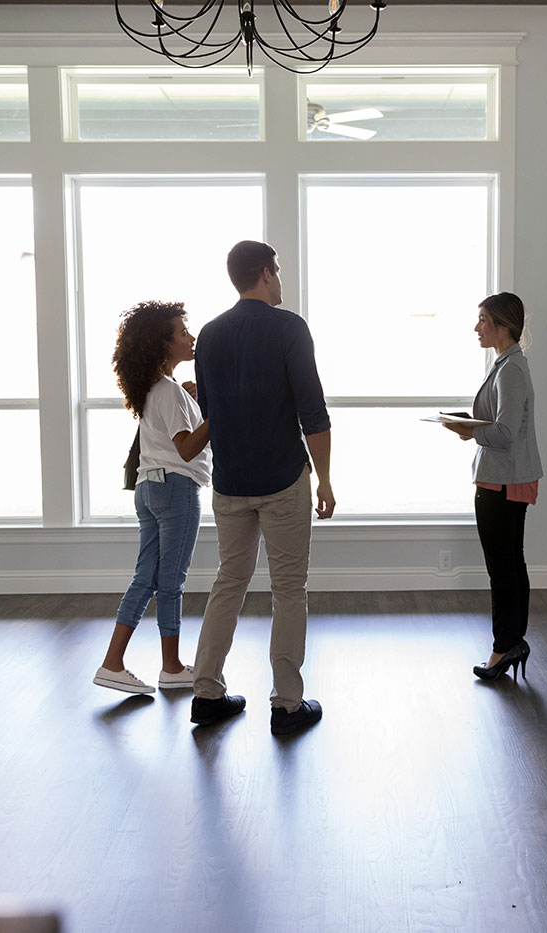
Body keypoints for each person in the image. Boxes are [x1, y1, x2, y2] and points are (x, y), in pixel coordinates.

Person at [188, 240, 334, 735]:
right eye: (279, 270)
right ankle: (287, 705)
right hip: (282, 480)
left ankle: (206, 694)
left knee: (229, 581)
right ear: (267, 273)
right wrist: (325, 479)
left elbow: (211, 411)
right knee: (289, 589)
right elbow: (313, 412)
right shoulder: (290, 328)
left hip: (229, 483)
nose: (280, 279)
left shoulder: (209, 335)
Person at [93, 300, 212, 695]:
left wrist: (196, 402)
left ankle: (113, 663)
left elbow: (174, 435)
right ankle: (172, 668)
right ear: (163, 344)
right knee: (171, 582)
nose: (191, 338)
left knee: (145, 578)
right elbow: (187, 449)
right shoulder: (170, 392)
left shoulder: (156, 390)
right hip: (176, 489)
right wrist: (219, 411)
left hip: (148, 488)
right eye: (182, 333)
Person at [444, 292, 543, 682]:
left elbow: (504, 432)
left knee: (502, 568)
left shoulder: (511, 369)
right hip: (505, 478)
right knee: (511, 564)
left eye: (483, 319)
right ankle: (512, 642)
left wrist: (469, 429)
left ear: (503, 325)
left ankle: (503, 648)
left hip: (503, 481)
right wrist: (469, 427)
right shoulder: (506, 364)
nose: (477, 327)